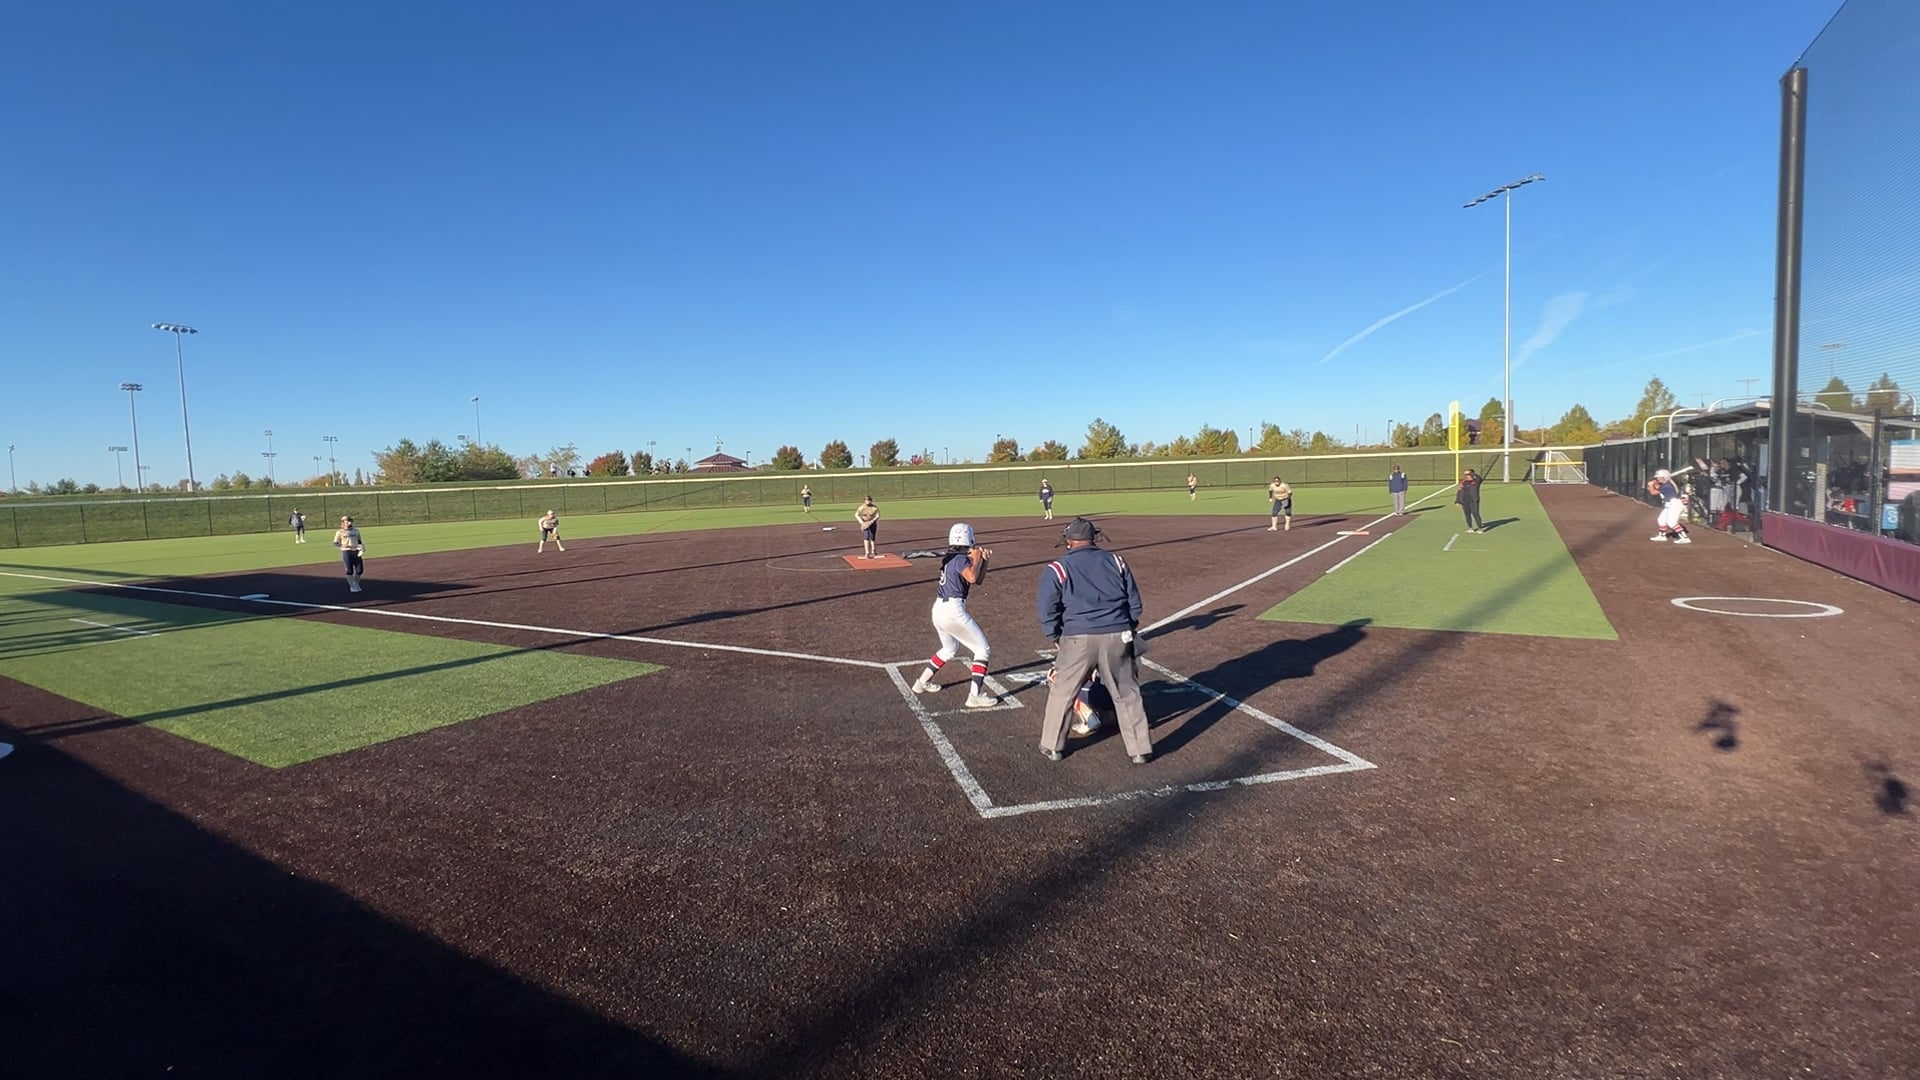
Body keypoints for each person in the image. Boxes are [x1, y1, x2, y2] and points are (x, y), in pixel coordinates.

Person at [1035, 517, 1154, 765]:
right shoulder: (1117, 561)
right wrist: (1128, 627)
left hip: (1077, 637)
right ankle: (1140, 750)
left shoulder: (1058, 568)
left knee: (1063, 692)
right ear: (1094, 538)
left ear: (1069, 541)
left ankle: (1053, 746)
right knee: (1127, 692)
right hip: (1117, 633)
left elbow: (1048, 607)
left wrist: (1054, 635)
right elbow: (1134, 602)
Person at [909, 523, 998, 708]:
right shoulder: (959, 559)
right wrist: (975, 559)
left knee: (949, 649)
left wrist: (984, 561)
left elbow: (977, 580)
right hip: (952, 610)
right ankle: (975, 696)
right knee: (982, 650)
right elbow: (972, 577)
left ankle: (922, 682)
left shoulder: (954, 557)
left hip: (940, 609)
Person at [1648, 468, 1691, 544]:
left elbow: (1653, 492)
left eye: (1659, 477)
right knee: (1661, 520)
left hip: (1675, 505)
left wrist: (1651, 485)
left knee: (1671, 522)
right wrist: (1654, 483)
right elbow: (1657, 486)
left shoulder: (1667, 486)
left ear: (1664, 477)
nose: (1657, 479)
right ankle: (1662, 536)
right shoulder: (1665, 484)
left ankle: (1685, 538)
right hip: (1669, 505)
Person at [332, 515, 366, 593]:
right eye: (347, 521)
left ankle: (356, 583)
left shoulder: (356, 530)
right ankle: (352, 586)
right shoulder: (340, 532)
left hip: (356, 551)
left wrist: (362, 547)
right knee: (349, 570)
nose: (349, 522)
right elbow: (335, 543)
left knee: (359, 570)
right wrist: (342, 545)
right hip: (346, 551)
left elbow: (359, 540)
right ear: (343, 522)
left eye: (350, 521)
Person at [1455, 469, 1484, 533]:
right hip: (1465, 501)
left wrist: (1471, 473)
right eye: (1466, 475)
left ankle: (1480, 528)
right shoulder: (1463, 482)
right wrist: (1457, 501)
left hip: (1473, 501)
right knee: (1467, 514)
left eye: (1469, 474)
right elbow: (1459, 491)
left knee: (1475, 513)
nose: (1467, 476)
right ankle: (1470, 528)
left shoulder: (1476, 481)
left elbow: (1479, 478)